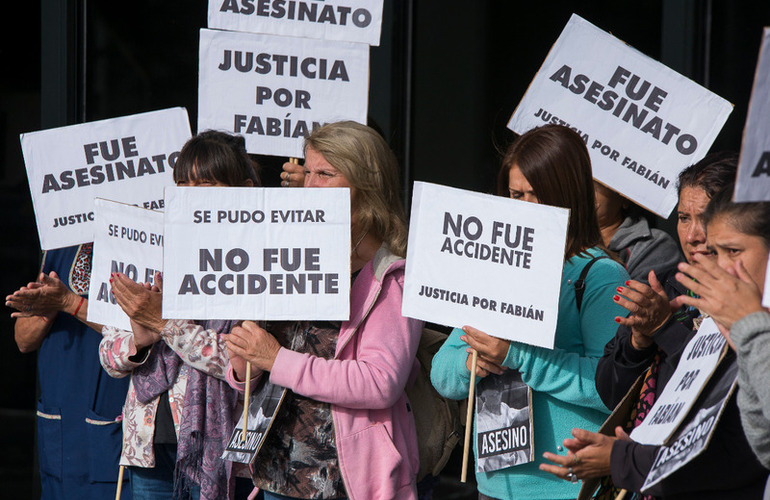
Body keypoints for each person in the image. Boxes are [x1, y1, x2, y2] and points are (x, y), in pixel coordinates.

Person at [540, 161, 769, 498]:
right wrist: (639, 341)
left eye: (731, 250)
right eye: (683, 218)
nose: (693, 236)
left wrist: (667, 328)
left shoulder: (752, 318)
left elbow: (738, 443)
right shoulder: (663, 287)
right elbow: (610, 390)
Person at [224, 120, 423, 500]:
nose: (309, 184)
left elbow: (379, 382)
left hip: (342, 482)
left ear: (365, 183)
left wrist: (276, 359)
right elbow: (265, 365)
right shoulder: (288, 254)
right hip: (274, 472)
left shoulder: (392, 275)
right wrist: (246, 366)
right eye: (308, 171)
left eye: (325, 174)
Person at [430, 124, 630, 500]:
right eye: (515, 194)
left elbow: (609, 387)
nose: (523, 207)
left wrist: (517, 356)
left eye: (535, 195)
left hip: (567, 488)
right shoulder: (493, 270)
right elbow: (442, 374)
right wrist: (472, 363)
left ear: (567, 194)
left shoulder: (600, 275)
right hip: (495, 486)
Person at [98, 130, 260, 500]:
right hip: (149, 450)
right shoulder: (150, 245)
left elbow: (244, 364)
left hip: (222, 454)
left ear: (244, 189)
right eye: (183, 183)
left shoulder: (260, 261)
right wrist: (140, 341)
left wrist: (165, 324)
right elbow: (108, 357)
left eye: (207, 183)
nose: (190, 194)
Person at [7, 245, 130, 498]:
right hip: (60, 421)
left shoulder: (132, 239)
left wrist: (69, 302)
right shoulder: (60, 242)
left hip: (112, 412)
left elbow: (142, 330)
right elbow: (23, 340)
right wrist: (47, 310)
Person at [673, 189, 770, 494]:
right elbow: (764, 444)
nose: (722, 269)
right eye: (716, 253)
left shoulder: (754, 327)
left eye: (734, 251)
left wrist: (753, 331)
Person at [594, 181, 682, 282]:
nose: (586, 193)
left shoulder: (653, 243)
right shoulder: (576, 240)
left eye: (596, 184)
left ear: (624, 198)